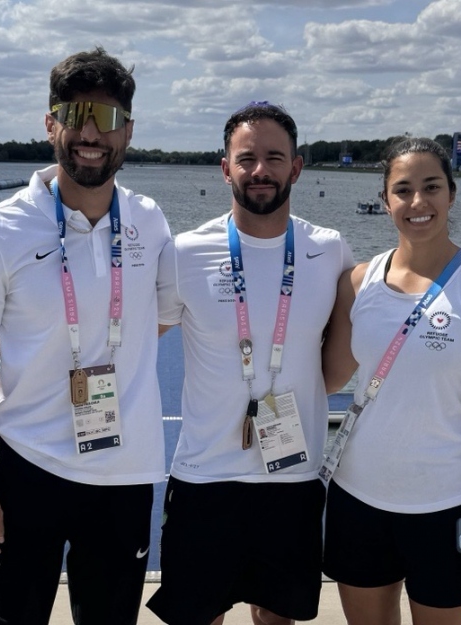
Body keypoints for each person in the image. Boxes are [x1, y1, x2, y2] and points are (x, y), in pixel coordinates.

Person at [0, 48, 171, 625]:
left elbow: (163, 319)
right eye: (77, 115)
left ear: (129, 133)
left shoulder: (150, 221)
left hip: (124, 476)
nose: (92, 133)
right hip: (25, 470)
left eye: (110, 119)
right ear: (51, 124)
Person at [147, 102, 354, 625]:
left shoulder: (328, 251)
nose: (260, 170)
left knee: (277, 617)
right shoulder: (185, 252)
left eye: (274, 157)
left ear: (297, 167)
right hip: (204, 476)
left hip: (293, 478)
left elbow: (347, 355)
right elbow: (134, 343)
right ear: (225, 168)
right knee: (195, 616)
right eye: (247, 159)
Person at [320, 137, 461, 625]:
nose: (418, 202)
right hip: (358, 496)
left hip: (449, 502)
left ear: (451, 194)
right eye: (403, 190)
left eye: (431, 187)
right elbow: (327, 378)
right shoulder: (357, 283)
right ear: (385, 200)